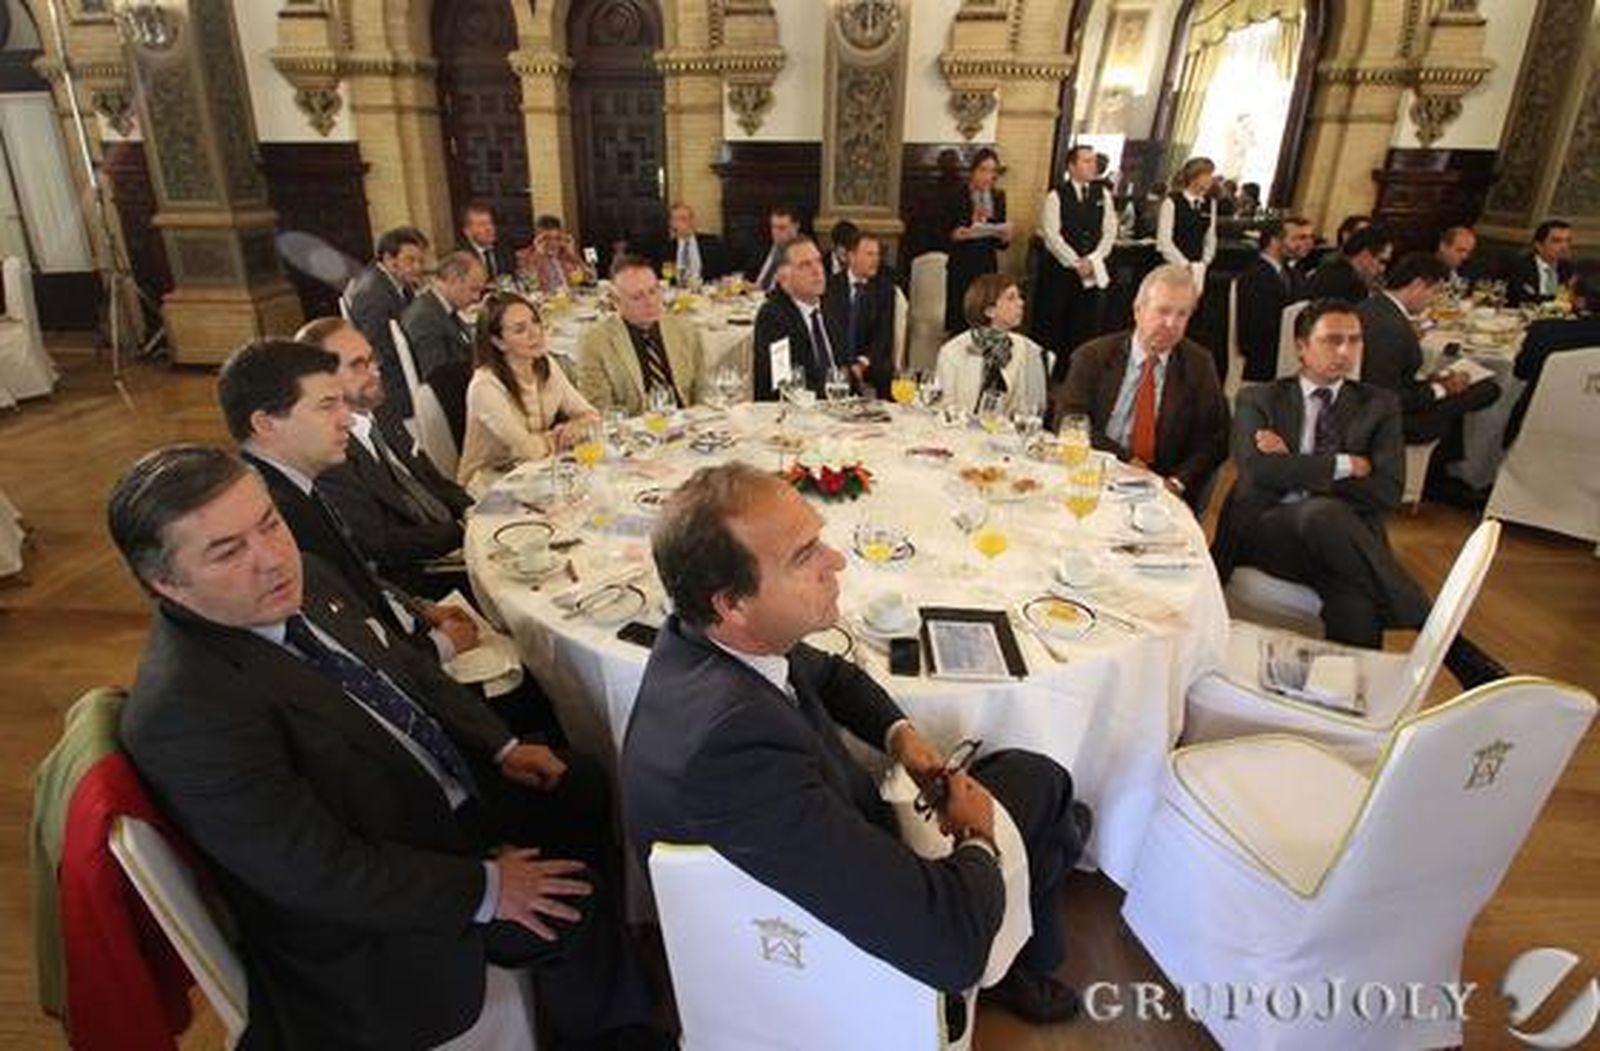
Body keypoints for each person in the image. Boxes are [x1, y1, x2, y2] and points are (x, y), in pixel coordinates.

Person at [109, 445, 661, 1049]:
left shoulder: (308, 580)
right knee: (571, 905)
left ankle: (597, 969)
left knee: (578, 782)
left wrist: (500, 747)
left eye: (269, 523)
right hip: (375, 920)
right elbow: (319, 875)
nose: (271, 559)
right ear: (165, 583)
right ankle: (616, 1028)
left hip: (424, 799)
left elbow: (409, 669)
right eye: (227, 551)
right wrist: (489, 887)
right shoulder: (187, 713)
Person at [622, 463, 1091, 1024]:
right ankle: (1030, 956)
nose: (836, 560)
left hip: (827, 844)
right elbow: (952, 942)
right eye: (804, 555)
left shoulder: (703, 641)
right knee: (1046, 784)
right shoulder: (733, 756)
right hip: (828, 949)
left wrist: (906, 741)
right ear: (732, 603)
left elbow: (834, 678)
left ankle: (1043, 889)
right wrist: (975, 834)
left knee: (1040, 794)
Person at [1212, 299, 1506, 684]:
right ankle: (1450, 646)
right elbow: (1256, 468)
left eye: (1354, 341)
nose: (1345, 351)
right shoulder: (1261, 399)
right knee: (1321, 513)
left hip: (1342, 541)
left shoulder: (1378, 405)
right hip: (1268, 533)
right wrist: (1346, 464)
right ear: (1302, 346)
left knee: (1357, 605)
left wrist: (1294, 465)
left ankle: (1344, 708)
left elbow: (1387, 491)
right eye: (1332, 340)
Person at [298, 317, 473, 600]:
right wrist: (462, 531)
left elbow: (431, 478)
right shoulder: (328, 452)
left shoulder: (380, 409)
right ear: (321, 381)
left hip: (453, 541)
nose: (376, 371)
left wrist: (471, 509)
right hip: (424, 580)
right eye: (358, 365)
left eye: (372, 359)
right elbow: (381, 543)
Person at [1051, 264, 1229, 510]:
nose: (1171, 323)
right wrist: (1126, 461)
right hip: (1093, 474)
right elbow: (1068, 421)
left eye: (1182, 314)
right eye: (1163, 311)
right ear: (1138, 310)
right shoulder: (1093, 356)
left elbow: (1215, 438)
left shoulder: (1199, 364)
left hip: (1159, 489)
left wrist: (1176, 483)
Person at [1356, 253, 1500, 449]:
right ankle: (1450, 466)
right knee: (1487, 390)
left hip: (1376, 397)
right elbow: (1387, 395)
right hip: (1389, 418)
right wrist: (1440, 389)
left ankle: (1449, 459)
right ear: (1417, 285)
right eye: (1434, 292)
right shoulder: (1391, 328)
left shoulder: (1372, 306)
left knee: (1471, 389)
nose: (1433, 301)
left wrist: (1433, 381)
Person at [459, 293, 600, 486]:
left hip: (539, 472)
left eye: (535, 322)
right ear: (498, 342)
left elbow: (591, 415)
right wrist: (558, 435)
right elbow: (528, 450)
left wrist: (575, 426)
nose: (535, 333)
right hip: (490, 483)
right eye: (520, 330)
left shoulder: (545, 364)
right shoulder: (485, 386)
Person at [578, 255, 706, 415]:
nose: (650, 302)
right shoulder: (596, 342)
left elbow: (703, 391)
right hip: (634, 433)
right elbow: (600, 410)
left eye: (653, 291)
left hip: (687, 426)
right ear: (616, 301)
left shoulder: (684, 329)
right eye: (637, 297)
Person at [1033, 144, 1118, 374]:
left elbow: (1110, 230)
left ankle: (1076, 371)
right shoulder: (1056, 195)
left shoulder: (1103, 194)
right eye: (1086, 161)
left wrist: (1094, 259)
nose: (1093, 165)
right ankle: (1048, 372)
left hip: (1092, 269)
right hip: (1061, 271)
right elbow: (1052, 234)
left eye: (1093, 160)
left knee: (1083, 322)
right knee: (1054, 319)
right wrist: (1075, 262)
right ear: (1072, 166)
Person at [344, 225, 429, 437]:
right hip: (393, 382)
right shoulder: (374, 296)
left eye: (421, 260)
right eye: (411, 260)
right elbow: (379, 350)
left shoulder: (397, 281)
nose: (418, 267)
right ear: (389, 260)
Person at [1505, 259, 1600, 446]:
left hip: (1540, 428)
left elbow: (1521, 372)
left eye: (1570, 290)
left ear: (1581, 301)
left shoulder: (1546, 331)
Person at [936, 274, 1049, 419]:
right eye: (1011, 298)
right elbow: (944, 406)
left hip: (1006, 435)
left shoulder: (1027, 349)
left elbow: (1031, 410)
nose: (1021, 303)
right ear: (990, 311)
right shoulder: (953, 350)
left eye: (1020, 297)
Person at [751, 238, 841, 401]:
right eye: (805, 265)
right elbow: (785, 386)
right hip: (795, 414)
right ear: (783, 277)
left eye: (818, 262)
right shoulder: (772, 316)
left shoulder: (831, 306)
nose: (817, 271)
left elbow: (842, 368)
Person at [1234, 216, 1314, 381]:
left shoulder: (1294, 275)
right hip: (1263, 366)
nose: (1309, 243)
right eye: (1300, 238)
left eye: (1310, 237)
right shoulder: (1255, 276)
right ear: (1274, 241)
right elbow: (1252, 335)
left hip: (1289, 357)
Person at [942, 147, 1012, 333]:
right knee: (960, 319)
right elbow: (942, 232)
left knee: (985, 317)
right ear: (973, 170)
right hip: (961, 264)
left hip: (986, 265)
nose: (987, 176)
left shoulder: (998, 197)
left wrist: (1004, 237)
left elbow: (1000, 243)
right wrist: (957, 233)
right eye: (983, 169)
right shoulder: (956, 194)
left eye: (992, 171)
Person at [821, 230, 897, 398]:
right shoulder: (830, 286)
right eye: (869, 254)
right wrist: (847, 366)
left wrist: (862, 363)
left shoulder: (885, 289)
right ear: (852, 256)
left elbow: (883, 335)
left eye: (877, 254)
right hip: (838, 359)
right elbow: (831, 331)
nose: (876, 260)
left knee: (885, 371)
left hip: (869, 359)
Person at [401, 250, 487, 385]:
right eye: (473, 289)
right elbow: (438, 377)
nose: (476, 298)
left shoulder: (440, 307)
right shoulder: (424, 318)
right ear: (453, 280)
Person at [1155, 157, 1218, 293]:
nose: (1210, 179)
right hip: (1174, 266)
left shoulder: (1210, 204)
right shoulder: (1172, 202)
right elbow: (1164, 241)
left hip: (1198, 268)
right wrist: (1184, 265)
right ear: (1194, 177)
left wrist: (1205, 261)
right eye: (1207, 175)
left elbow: (1210, 236)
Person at [1305, 224, 1392, 304]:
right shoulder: (1353, 286)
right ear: (1365, 255)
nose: (1382, 269)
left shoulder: (1328, 270)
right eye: (1381, 261)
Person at [657, 202, 730, 285]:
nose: (679, 223)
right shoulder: (666, 248)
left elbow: (725, 273)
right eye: (676, 219)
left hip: (705, 291)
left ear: (692, 221)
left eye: (684, 219)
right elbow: (662, 277)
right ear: (671, 223)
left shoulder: (712, 243)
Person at [1506, 220, 1575, 307]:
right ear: (1538, 245)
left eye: (1568, 241)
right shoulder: (1518, 267)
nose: (1564, 246)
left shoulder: (1571, 269)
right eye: (1556, 241)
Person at [518, 215, 592, 294]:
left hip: (569, 300)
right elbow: (529, 285)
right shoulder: (524, 255)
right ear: (537, 238)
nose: (553, 243)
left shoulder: (565, 253)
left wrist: (573, 255)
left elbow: (589, 278)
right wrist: (539, 255)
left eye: (557, 238)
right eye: (547, 238)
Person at [748, 205, 802, 292]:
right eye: (773, 227)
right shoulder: (763, 247)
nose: (776, 232)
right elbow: (749, 277)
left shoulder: (802, 255)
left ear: (795, 227)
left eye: (782, 228)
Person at [459, 200, 516, 282]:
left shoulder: (504, 248)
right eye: (482, 224)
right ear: (467, 232)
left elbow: (513, 278)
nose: (489, 228)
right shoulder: (462, 257)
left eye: (491, 223)